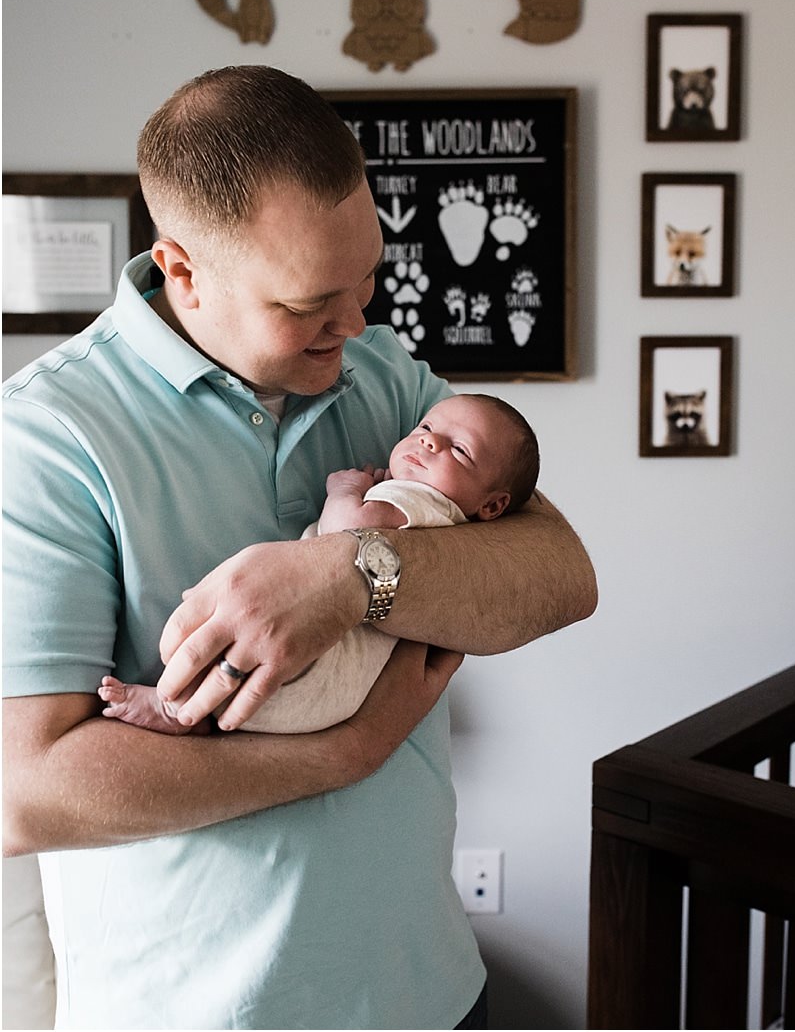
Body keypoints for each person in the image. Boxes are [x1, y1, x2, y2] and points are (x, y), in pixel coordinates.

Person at [2, 66, 597, 1030]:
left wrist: (344, 576)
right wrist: (346, 752)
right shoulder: (45, 439)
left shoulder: (380, 377)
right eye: (310, 302)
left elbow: (561, 577)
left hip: (433, 993)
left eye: (366, 281)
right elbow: (24, 793)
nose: (357, 323)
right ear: (183, 268)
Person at [97, 394, 539, 737]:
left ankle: (175, 706)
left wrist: (344, 490)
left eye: (459, 450)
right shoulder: (446, 517)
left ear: (493, 504)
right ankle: (190, 712)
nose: (430, 441)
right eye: (426, 426)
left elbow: (347, 531)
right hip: (342, 691)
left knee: (237, 655)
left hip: (324, 665)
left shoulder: (424, 502)